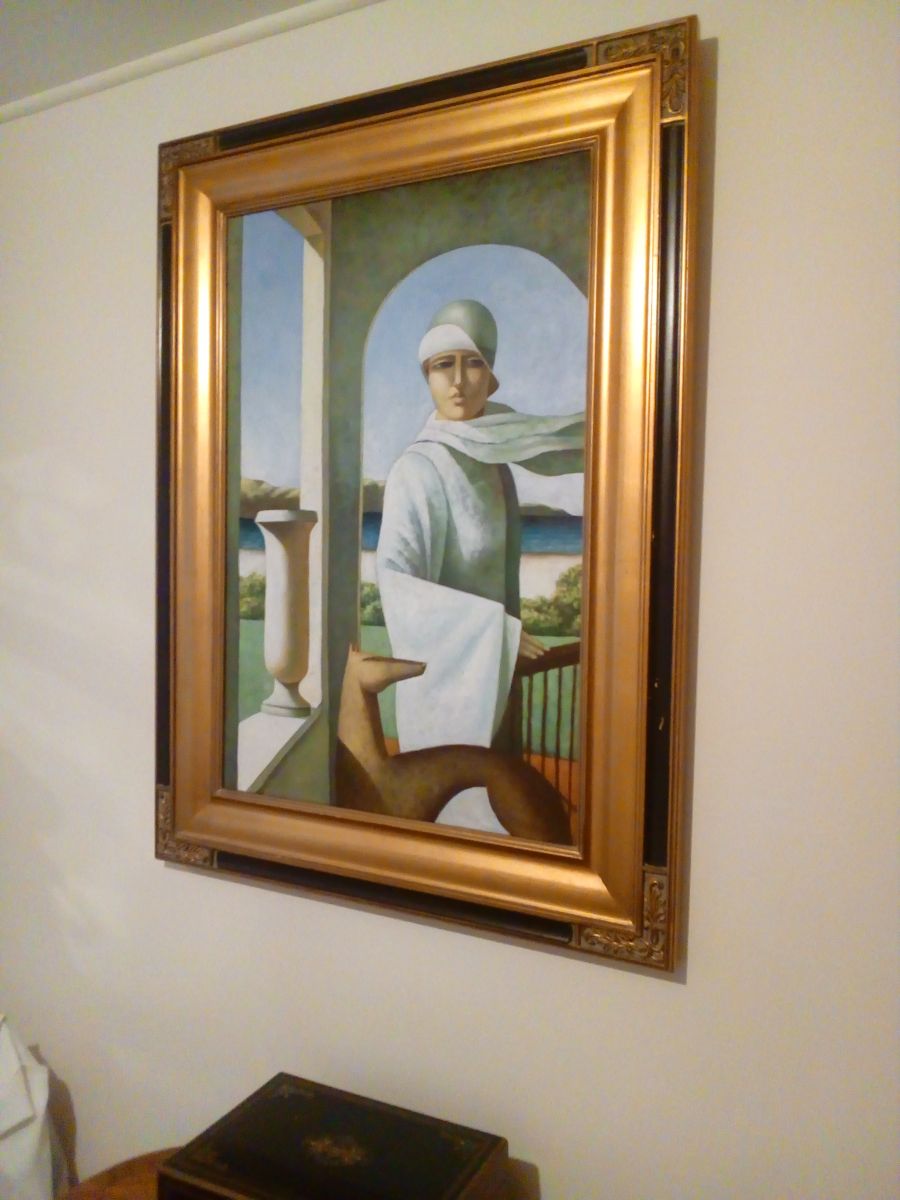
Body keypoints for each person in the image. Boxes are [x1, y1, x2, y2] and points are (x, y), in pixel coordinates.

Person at [376, 298, 584, 834]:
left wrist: (503, 643)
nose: (458, 381)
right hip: (448, 690)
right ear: (426, 376)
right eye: (442, 365)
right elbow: (396, 583)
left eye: (472, 363)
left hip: (497, 678)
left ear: (490, 376)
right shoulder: (417, 470)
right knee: (460, 822)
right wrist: (499, 632)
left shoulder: (495, 460)